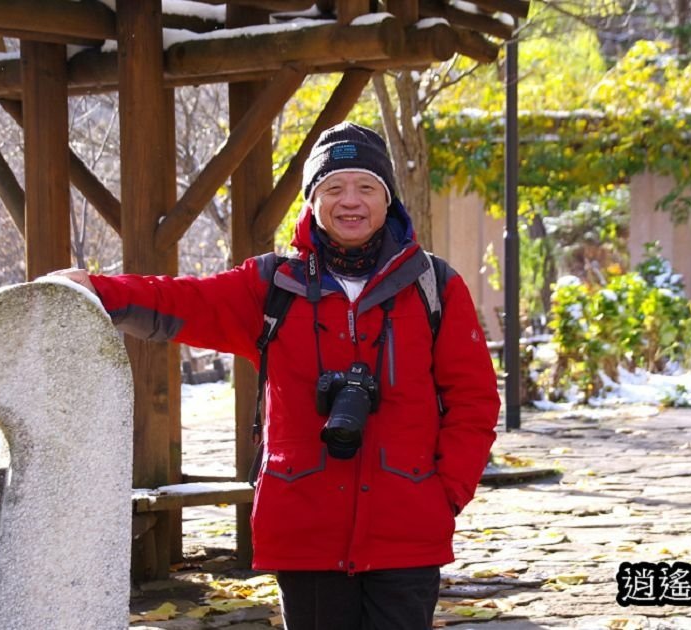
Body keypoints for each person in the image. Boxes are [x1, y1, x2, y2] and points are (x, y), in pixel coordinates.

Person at [54, 122, 500, 629]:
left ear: (388, 198)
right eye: (333, 187)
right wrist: (98, 290)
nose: (350, 200)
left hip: (406, 530)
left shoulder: (433, 286)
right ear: (312, 199)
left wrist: (443, 495)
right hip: (303, 527)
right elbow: (182, 300)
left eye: (366, 187)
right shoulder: (274, 286)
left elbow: (475, 402)